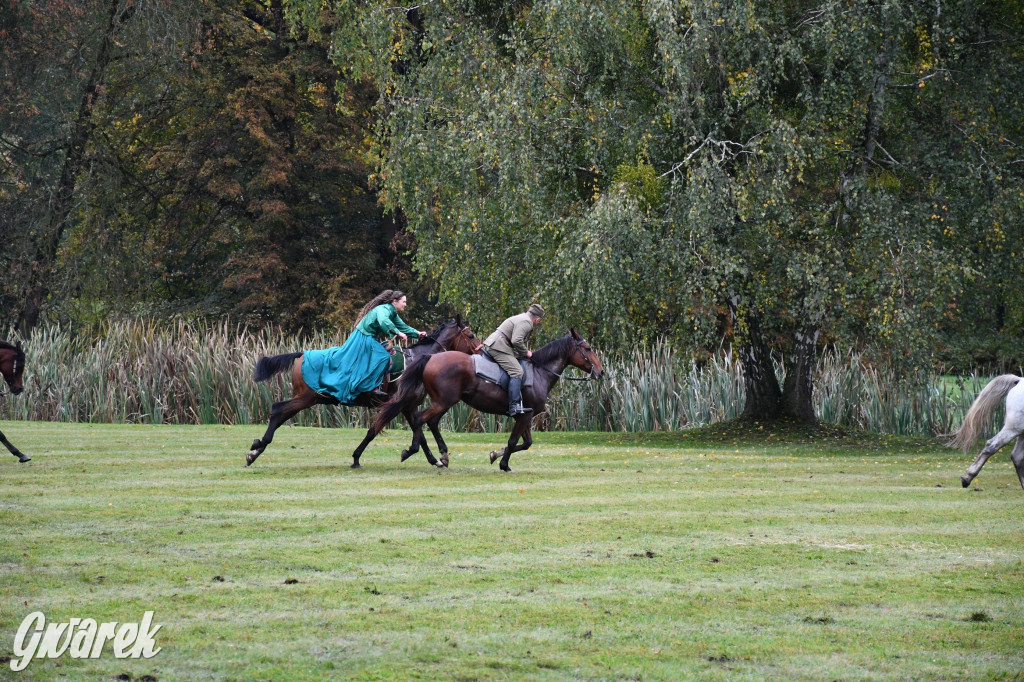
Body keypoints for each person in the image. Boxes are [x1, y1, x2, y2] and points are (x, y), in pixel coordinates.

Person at [301, 290, 426, 405]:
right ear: (395, 301)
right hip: (364, 337)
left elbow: (403, 326)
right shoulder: (383, 309)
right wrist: (398, 333)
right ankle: (372, 388)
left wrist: (417, 333)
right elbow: (384, 321)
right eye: (404, 302)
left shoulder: (392, 312)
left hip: (369, 338)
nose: (405, 305)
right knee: (383, 357)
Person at [482, 303, 544, 416]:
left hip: (497, 343)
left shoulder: (521, 317)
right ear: (537, 319)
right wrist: (526, 352)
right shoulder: (527, 322)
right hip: (498, 346)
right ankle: (513, 406)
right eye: (539, 321)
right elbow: (516, 340)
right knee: (517, 371)